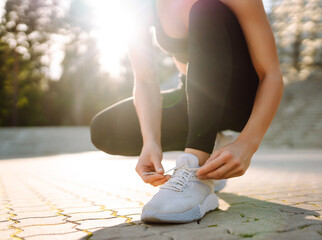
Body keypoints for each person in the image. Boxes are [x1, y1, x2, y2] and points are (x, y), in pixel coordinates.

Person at [90, 0, 284, 223]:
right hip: (193, 97)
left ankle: (195, 170)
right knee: (105, 129)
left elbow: (272, 74)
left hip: (240, 98)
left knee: (206, 8)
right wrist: (150, 141)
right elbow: (145, 81)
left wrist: (247, 143)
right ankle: (213, 148)